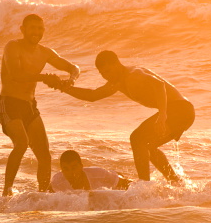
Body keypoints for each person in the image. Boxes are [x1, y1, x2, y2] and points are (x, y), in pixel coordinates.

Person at [52, 50, 194, 183]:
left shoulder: (134, 74)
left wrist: (162, 115)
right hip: (180, 111)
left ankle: (144, 185)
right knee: (148, 146)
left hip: (180, 109)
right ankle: (175, 181)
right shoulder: (117, 83)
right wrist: (63, 87)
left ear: (116, 64)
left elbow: (159, 84)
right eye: (102, 73)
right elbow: (92, 95)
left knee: (137, 139)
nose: (106, 76)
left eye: (108, 71)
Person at [0, 14, 80, 196]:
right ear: (23, 29)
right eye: (32, 28)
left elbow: (74, 68)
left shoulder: (45, 52)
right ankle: (6, 191)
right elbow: (16, 75)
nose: (37, 32)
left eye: (40, 28)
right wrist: (44, 77)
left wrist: (71, 80)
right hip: (8, 103)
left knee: (45, 156)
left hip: (29, 106)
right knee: (22, 144)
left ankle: (43, 195)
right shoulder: (12, 46)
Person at [51, 150, 131, 192]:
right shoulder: (57, 181)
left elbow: (129, 185)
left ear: (81, 166)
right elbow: (45, 196)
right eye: (66, 169)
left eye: (74, 168)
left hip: (113, 176)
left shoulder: (99, 174)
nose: (70, 173)